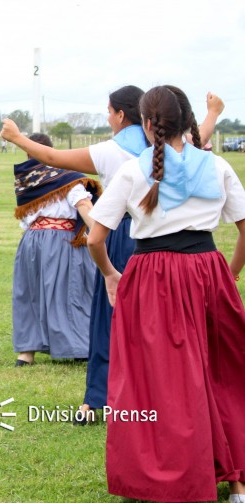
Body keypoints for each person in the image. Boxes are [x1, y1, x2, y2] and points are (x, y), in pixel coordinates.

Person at [1, 86, 224, 421]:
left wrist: (18, 138)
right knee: (163, 323)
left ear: (122, 115)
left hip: (121, 236)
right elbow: (198, 137)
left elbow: (53, 159)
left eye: (109, 111)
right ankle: (163, 398)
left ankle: (98, 400)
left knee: (109, 318)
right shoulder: (173, 146)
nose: (107, 118)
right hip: (169, 242)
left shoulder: (110, 151)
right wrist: (213, 114)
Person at [86, 85, 245, 502]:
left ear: (146, 124)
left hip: (152, 280)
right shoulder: (217, 166)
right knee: (222, 372)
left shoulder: (131, 171)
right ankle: (236, 481)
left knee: (157, 381)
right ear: (188, 121)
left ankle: (162, 476)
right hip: (207, 273)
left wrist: (110, 275)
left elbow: (95, 238)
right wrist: (229, 273)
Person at [11, 133, 100, 366]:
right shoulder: (68, 178)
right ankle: (77, 346)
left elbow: (26, 218)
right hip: (60, 240)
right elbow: (84, 205)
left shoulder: (26, 181)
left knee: (30, 292)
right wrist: (99, 234)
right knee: (69, 291)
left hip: (31, 241)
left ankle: (26, 353)